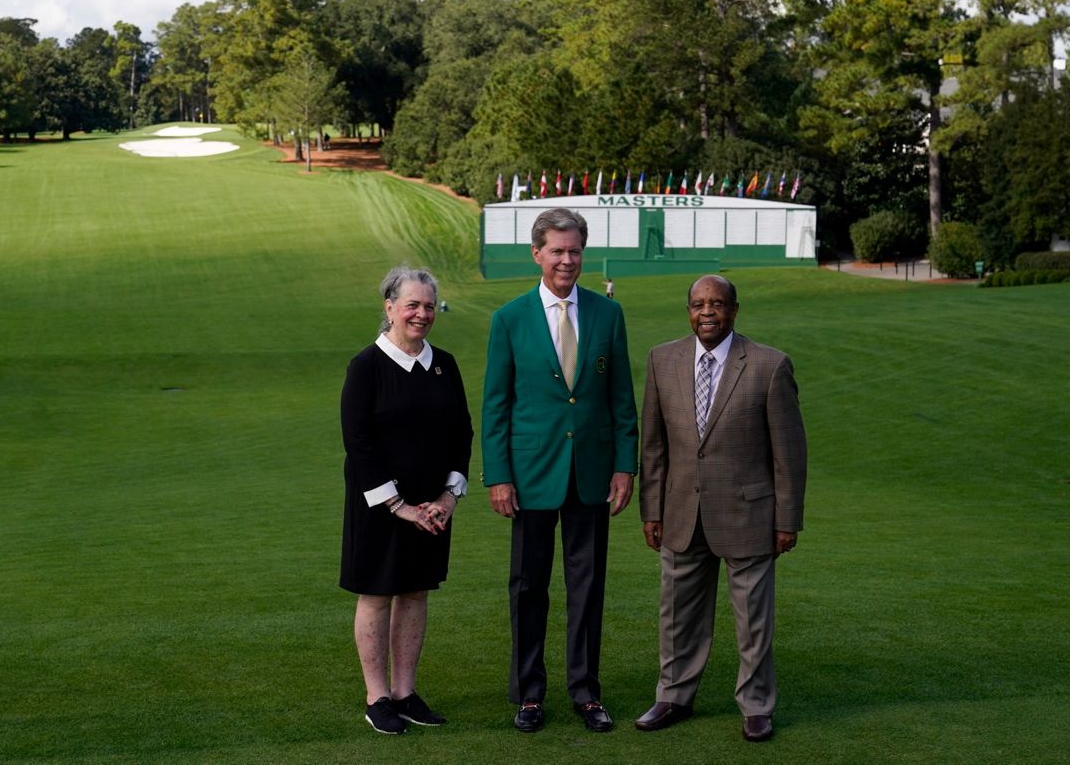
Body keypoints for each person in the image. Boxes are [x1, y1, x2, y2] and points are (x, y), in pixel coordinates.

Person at [482, 208, 639, 733]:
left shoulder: (607, 314)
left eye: (574, 251)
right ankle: (529, 694)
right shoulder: (509, 318)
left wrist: (624, 467)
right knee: (528, 588)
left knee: (587, 588)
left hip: (592, 474)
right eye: (557, 251)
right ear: (537, 254)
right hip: (529, 477)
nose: (567, 260)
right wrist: (497, 475)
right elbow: (495, 405)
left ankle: (585, 691)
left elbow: (621, 400)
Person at [634, 275, 807, 742]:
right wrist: (652, 509)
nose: (706, 312)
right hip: (680, 514)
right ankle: (672, 696)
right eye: (697, 304)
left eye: (716, 303)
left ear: (734, 309)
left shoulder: (770, 366)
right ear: (687, 311)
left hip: (750, 515)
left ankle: (756, 706)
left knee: (753, 619)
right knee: (676, 615)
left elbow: (788, 453)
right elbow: (653, 446)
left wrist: (787, 520)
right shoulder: (661, 360)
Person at [340, 266, 473, 735]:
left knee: (415, 592)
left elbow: (462, 433)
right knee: (377, 595)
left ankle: (405, 692)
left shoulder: (445, 365)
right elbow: (359, 445)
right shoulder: (366, 367)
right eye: (412, 305)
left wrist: (448, 497)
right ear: (390, 307)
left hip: (432, 508)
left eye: (429, 306)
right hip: (381, 509)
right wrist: (400, 507)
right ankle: (378, 697)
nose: (422, 314)